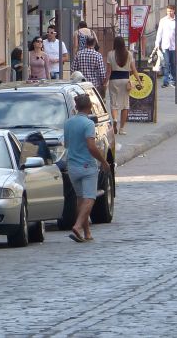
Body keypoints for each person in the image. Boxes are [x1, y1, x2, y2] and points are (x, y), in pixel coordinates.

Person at [63, 93, 110, 243]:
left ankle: (87, 233)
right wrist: (103, 161)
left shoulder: (68, 123)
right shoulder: (88, 124)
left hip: (72, 166)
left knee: (80, 199)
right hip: (87, 165)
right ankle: (78, 226)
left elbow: (66, 144)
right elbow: (91, 146)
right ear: (90, 107)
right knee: (90, 198)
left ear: (76, 107)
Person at [105, 36, 136, 134]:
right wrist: (139, 81)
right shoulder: (129, 54)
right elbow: (134, 69)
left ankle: (114, 119)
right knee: (125, 105)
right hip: (125, 80)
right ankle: (122, 129)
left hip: (114, 80)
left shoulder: (110, 54)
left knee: (114, 103)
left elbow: (108, 71)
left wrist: (105, 82)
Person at [154, 5, 177, 88]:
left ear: (174, 11)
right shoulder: (163, 21)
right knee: (166, 63)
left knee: (173, 63)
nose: (169, 13)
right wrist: (157, 44)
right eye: (168, 11)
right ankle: (166, 81)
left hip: (174, 46)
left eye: (171, 11)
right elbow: (159, 33)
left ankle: (174, 80)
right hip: (165, 45)